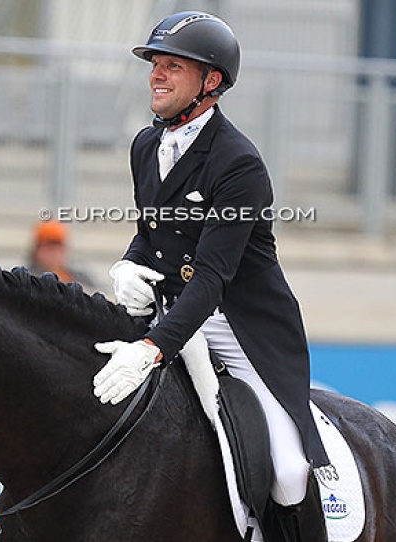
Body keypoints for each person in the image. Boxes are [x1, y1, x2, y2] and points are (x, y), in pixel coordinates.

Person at [91, 11, 329, 542]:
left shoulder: (238, 163)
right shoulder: (145, 146)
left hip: (238, 326)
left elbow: (214, 276)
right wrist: (129, 264)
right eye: (155, 64)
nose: (156, 75)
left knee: (289, 474)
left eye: (173, 66)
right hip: (174, 312)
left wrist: (152, 349)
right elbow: (152, 234)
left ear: (210, 82)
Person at [27, 220, 95, 288]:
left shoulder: (80, 278)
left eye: (59, 249)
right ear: (36, 251)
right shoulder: (27, 280)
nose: (54, 255)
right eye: (50, 249)